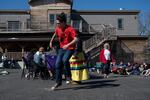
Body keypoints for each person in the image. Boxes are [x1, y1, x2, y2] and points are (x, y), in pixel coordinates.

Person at [49, 12, 78, 90]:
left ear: (63, 22)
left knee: (65, 60)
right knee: (57, 64)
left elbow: (76, 39)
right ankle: (58, 82)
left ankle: (69, 76)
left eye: (58, 23)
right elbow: (55, 33)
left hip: (70, 48)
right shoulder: (58, 28)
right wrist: (51, 41)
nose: (57, 25)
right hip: (62, 49)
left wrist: (68, 45)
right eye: (56, 23)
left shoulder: (70, 29)